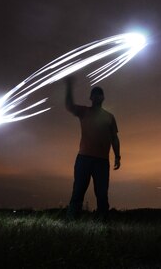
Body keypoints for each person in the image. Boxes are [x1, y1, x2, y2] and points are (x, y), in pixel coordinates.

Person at [65, 76, 121, 221]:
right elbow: (69, 106)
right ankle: (72, 220)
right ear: (91, 98)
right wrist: (69, 87)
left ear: (103, 98)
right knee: (78, 191)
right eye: (94, 94)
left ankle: (102, 222)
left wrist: (117, 156)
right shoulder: (84, 112)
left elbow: (114, 138)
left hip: (101, 161)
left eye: (99, 94)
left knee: (102, 194)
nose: (97, 97)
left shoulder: (109, 117)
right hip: (84, 158)